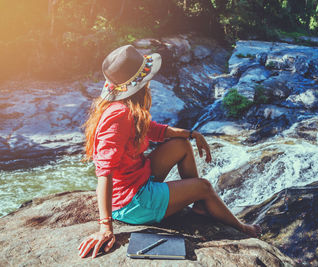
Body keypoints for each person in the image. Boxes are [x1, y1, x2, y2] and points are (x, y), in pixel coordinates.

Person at [78, 45, 261, 259]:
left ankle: (201, 205)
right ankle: (241, 227)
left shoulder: (125, 107)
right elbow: (104, 171)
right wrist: (105, 227)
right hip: (132, 201)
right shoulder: (119, 115)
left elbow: (153, 129)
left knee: (181, 145)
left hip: (137, 180)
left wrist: (191, 134)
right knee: (205, 186)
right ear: (140, 83)